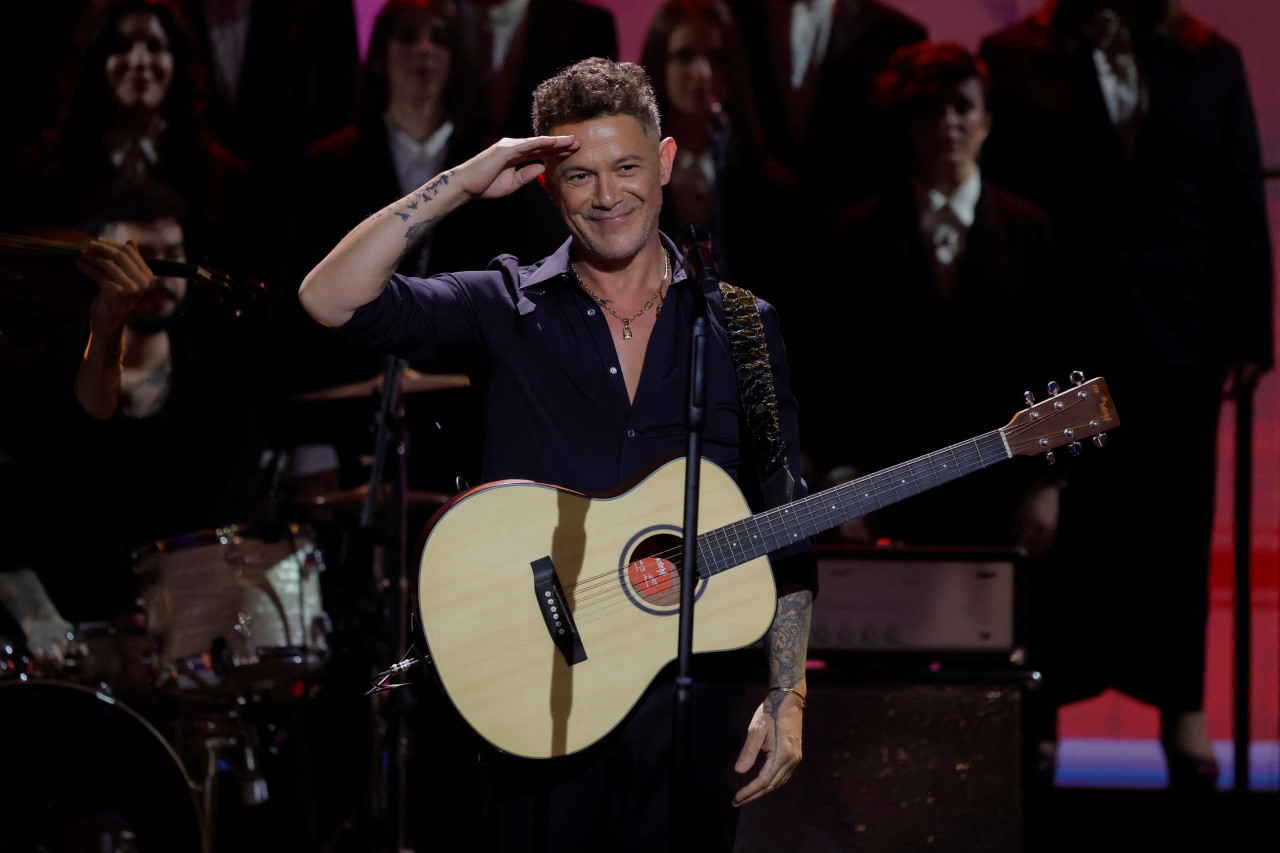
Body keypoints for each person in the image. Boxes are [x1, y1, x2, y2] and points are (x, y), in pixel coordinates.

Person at [298, 57, 817, 851]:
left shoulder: (741, 326)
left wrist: (787, 692)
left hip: (693, 704)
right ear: (546, 183)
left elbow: (786, 517)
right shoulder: (502, 303)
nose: (608, 197)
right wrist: (461, 184)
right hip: (537, 695)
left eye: (626, 168)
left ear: (667, 162)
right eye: (579, 176)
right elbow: (328, 298)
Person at [979, 0, 1274, 792]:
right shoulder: (1014, 54)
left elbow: (1238, 196)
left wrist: (1251, 331)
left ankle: (1182, 705)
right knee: (1063, 526)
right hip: (1064, 328)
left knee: (1175, 522)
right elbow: (1002, 195)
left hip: (1181, 333)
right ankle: (1045, 714)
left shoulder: (1209, 57)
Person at [805, 42, 1074, 551]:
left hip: (1004, 495)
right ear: (907, 124)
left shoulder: (1029, 229)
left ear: (988, 120)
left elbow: (1056, 361)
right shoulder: (863, 232)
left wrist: (1050, 483)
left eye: (963, 106)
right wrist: (841, 478)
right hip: (893, 494)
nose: (948, 122)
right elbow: (837, 365)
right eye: (930, 109)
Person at [2, 0, 251, 275]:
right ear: (96, 59)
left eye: (155, 47)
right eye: (121, 47)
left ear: (176, 60)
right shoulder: (38, 171)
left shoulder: (220, 175)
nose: (139, 62)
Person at [639, 0, 777, 284]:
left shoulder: (760, 178)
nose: (704, 74)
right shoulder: (632, 171)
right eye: (685, 56)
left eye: (717, 58)